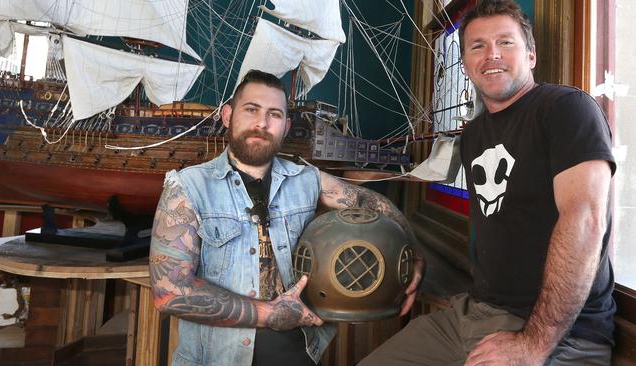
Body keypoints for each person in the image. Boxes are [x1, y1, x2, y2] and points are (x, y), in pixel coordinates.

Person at [359, 1, 616, 365]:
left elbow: (585, 221)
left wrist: (534, 343)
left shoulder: (566, 108)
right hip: (472, 313)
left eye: (505, 43)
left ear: (530, 56)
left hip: (559, 333)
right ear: (465, 63)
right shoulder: (475, 134)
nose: (491, 55)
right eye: (477, 46)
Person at [149, 69, 424, 366]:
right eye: (251, 109)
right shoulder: (189, 187)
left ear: (286, 126)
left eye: (274, 115)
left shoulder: (306, 179)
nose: (261, 123)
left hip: (300, 355)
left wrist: (415, 256)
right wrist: (270, 315)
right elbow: (169, 292)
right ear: (228, 115)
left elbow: (372, 203)